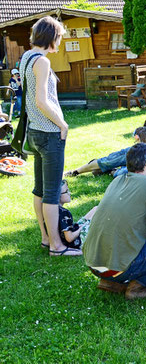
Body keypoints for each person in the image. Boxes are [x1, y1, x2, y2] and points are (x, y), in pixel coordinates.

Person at [21, 16, 81, 256]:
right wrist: (62, 124)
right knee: (52, 192)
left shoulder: (27, 56)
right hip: (48, 133)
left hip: (34, 132)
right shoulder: (42, 62)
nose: (61, 41)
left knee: (40, 190)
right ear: (51, 37)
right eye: (60, 37)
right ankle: (57, 246)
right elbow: (41, 100)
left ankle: (46, 238)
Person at [83, 143, 146, 299]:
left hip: (93, 265)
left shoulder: (116, 181)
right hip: (118, 268)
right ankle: (138, 287)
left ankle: (110, 282)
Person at [64, 127, 146, 177]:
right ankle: (76, 172)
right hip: (126, 156)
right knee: (106, 162)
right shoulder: (133, 150)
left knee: (114, 168)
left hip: (128, 166)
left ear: (136, 137)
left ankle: (109, 170)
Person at [57, 179, 97, 248]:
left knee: (96, 209)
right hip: (77, 241)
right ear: (58, 196)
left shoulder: (54, 210)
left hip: (73, 231)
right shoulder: (64, 213)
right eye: (66, 191)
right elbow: (69, 238)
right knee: (97, 215)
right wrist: (81, 228)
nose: (69, 193)